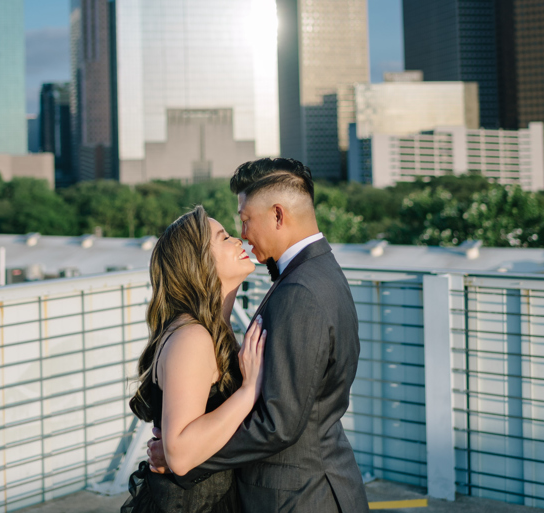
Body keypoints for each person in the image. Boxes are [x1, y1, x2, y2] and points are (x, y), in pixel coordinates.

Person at [148, 158, 369, 512]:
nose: (243, 234)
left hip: (301, 496)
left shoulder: (301, 292)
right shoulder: (316, 273)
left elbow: (279, 424)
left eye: (245, 219)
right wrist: (181, 452)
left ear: (278, 215)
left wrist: (181, 459)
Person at [123, 205, 267, 513]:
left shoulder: (212, 330)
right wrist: (249, 389)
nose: (237, 240)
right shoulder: (193, 338)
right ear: (198, 262)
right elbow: (181, 453)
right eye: (224, 237)